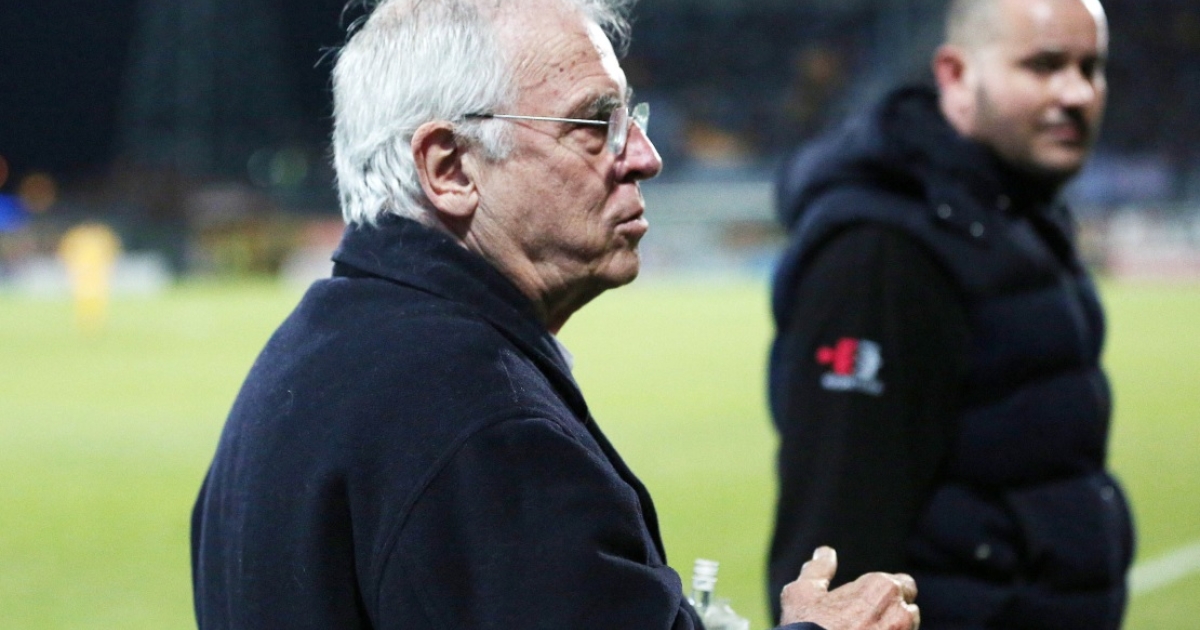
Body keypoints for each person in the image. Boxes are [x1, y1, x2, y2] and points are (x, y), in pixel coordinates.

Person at [190, 1, 920, 629]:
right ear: (449, 167)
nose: (645, 156)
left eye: (629, 117)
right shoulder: (478, 423)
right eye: (594, 122)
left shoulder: (314, 350)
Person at [767, 0, 1134, 628]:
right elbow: (836, 545)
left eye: (1090, 67)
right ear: (956, 74)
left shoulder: (1015, 215)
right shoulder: (881, 251)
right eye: (1043, 65)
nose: (1076, 93)